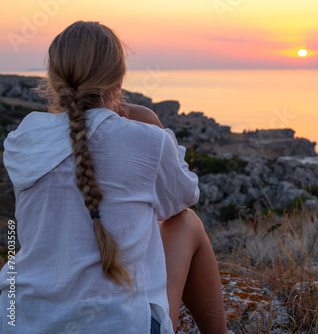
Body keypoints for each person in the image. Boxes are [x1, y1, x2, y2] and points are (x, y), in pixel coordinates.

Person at [0, 21, 228, 333]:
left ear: (53, 81)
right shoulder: (146, 138)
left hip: (22, 323)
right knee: (187, 222)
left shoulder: (23, 139)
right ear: (118, 80)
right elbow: (182, 199)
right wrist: (150, 122)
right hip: (121, 325)